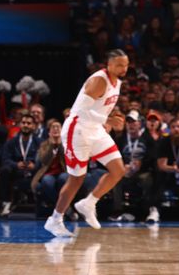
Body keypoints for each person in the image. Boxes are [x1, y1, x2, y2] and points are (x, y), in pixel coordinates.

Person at [44, 49, 129, 238]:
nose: (124, 68)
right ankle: (55, 219)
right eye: (119, 65)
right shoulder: (99, 80)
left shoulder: (118, 83)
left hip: (96, 130)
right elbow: (79, 111)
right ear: (109, 64)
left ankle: (89, 203)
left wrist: (107, 121)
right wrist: (107, 120)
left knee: (118, 170)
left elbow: (100, 108)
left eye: (126, 65)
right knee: (76, 179)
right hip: (78, 130)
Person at [0, 112, 40, 217]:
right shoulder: (11, 142)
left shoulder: (39, 142)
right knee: (5, 170)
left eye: (29, 123)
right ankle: (6, 202)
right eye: (23, 123)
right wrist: (16, 164)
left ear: (34, 126)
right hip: (16, 170)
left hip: (34, 171)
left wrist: (35, 165)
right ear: (19, 125)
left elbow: (44, 159)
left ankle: (44, 204)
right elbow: (5, 159)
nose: (26, 125)